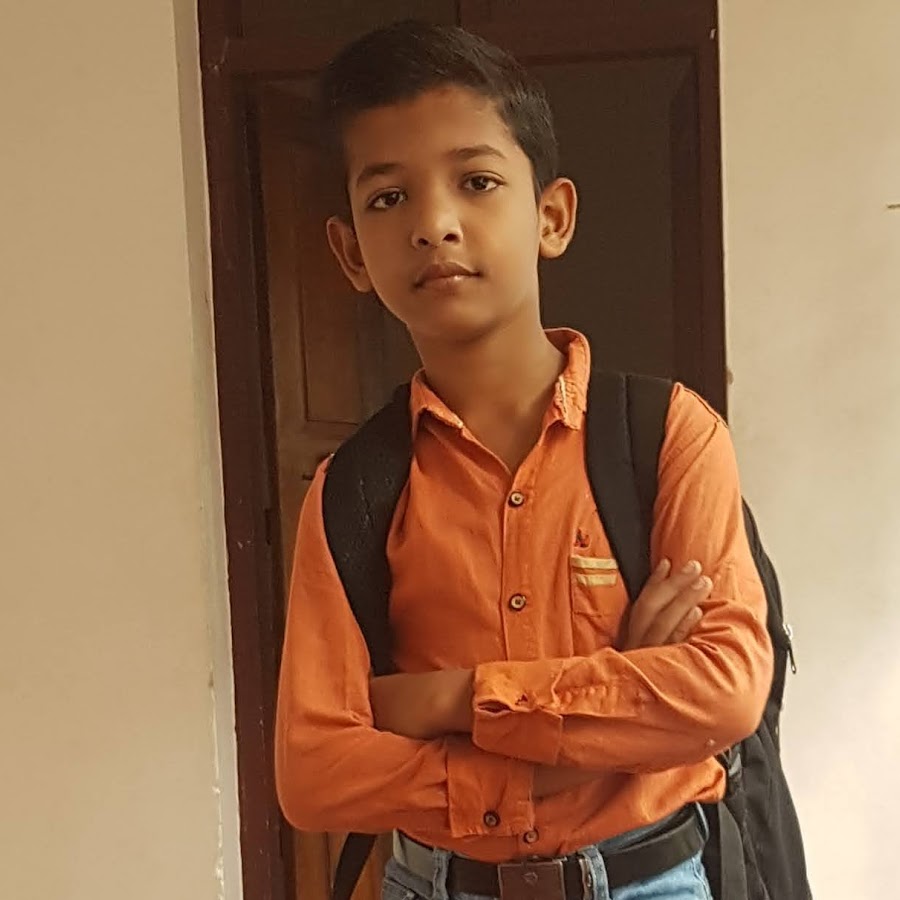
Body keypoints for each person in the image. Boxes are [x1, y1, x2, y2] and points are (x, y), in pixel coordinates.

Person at [275, 20, 773, 900]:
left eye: (476, 182)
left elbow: (726, 690)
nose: (434, 224)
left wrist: (449, 700)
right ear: (351, 253)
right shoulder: (352, 489)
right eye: (388, 198)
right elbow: (314, 772)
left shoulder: (666, 435)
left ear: (552, 216)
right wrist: (612, 707)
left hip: (653, 879)